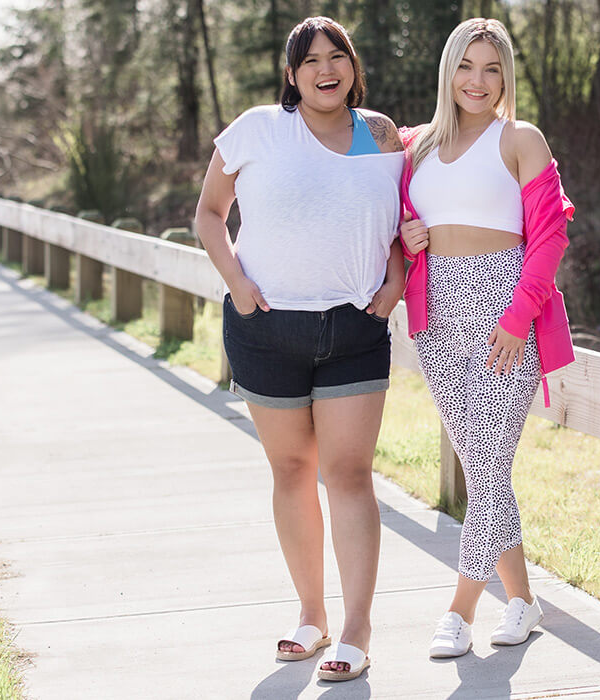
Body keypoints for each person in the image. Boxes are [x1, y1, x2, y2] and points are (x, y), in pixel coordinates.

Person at [193, 16, 406, 683]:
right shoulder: (257, 129)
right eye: (310, 60)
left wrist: (396, 280)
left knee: (349, 474)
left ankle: (357, 628)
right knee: (290, 471)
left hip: (354, 331)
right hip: (265, 331)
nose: (325, 69)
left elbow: (402, 219)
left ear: (353, 66)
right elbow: (209, 214)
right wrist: (238, 284)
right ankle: (312, 616)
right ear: (292, 75)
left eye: (336, 55)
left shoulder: (379, 134)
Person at [397, 18, 576, 659]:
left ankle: (459, 610)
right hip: (437, 313)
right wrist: (407, 236)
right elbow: (393, 220)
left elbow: (550, 235)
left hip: (505, 309)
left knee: (491, 465)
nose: (477, 81)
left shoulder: (520, 139)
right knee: (483, 468)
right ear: (449, 71)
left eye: (491, 69)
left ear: (506, 78)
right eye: (467, 66)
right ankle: (523, 601)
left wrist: (517, 317)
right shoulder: (416, 146)